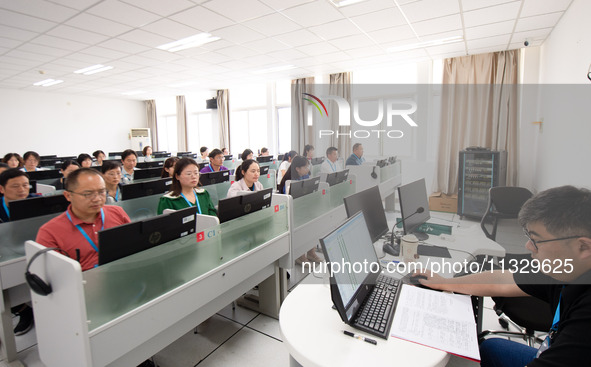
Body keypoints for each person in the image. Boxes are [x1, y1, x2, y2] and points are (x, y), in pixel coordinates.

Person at [415, 185, 591, 367]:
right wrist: (445, 283)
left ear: (583, 247)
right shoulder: (567, 267)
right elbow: (504, 280)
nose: (528, 247)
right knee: (491, 348)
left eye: (536, 240)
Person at [36, 168, 131, 270]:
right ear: (68, 196)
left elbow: (134, 246)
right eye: (88, 194)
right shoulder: (49, 232)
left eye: (102, 192)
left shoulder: (117, 212)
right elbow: (55, 277)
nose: (97, 199)